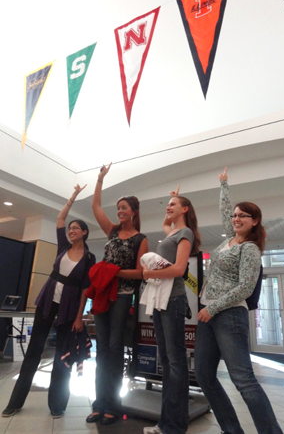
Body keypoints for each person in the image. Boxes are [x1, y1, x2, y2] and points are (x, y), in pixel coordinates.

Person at [194, 167, 283, 434]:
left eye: (243, 215)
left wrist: (212, 307)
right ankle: (232, 430)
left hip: (228, 314)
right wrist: (224, 185)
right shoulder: (228, 242)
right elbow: (225, 213)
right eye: (234, 215)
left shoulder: (250, 248)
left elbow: (245, 287)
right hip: (208, 313)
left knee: (243, 379)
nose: (236, 218)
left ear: (255, 220)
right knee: (204, 376)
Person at [2, 185, 96, 419]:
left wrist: (78, 317)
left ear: (85, 232)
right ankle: (15, 401)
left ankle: (57, 405)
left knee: (61, 355)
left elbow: (85, 289)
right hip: (48, 300)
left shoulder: (90, 257)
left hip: (70, 307)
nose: (71, 230)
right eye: (71, 228)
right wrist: (73, 196)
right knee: (34, 350)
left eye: (76, 228)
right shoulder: (63, 247)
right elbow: (60, 217)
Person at [86, 163, 148, 426]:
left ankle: (113, 404)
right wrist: (100, 179)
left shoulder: (140, 239)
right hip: (102, 295)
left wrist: (114, 273)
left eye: (124, 208)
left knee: (114, 349)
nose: (120, 211)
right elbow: (95, 207)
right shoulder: (111, 230)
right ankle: (100, 404)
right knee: (102, 351)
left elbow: (141, 273)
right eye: (118, 208)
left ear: (134, 212)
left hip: (122, 297)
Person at [142, 186, 201, 434]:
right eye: (168, 204)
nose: (168, 208)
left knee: (175, 362)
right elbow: (166, 221)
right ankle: (164, 423)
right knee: (166, 361)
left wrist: (148, 273)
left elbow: (178, 270)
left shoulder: (185, 232)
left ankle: (175, 425)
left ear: (185, 209)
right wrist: (173, 198)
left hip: (174, 300)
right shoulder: (172, 232)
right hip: (161, 301)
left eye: (173, 204)